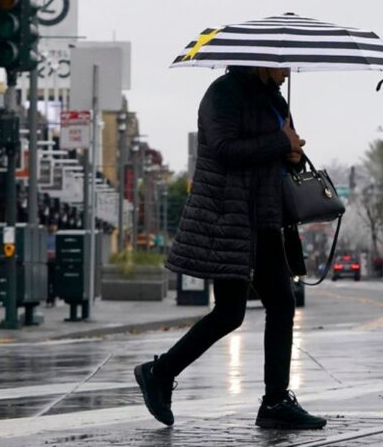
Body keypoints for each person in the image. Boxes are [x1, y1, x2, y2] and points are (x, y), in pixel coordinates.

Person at [134, 66, 326, 430]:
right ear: (260, 61)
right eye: (281, 64)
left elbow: (282, 149)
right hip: (229, 217)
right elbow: (224, 150)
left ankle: (275, 401)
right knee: (229, 312)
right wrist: (279, 143)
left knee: (283, 304)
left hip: (265, 216)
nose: (287, 72)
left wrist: (293, 154)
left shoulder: (274, 100)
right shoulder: (222, 94)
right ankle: (159, 372)